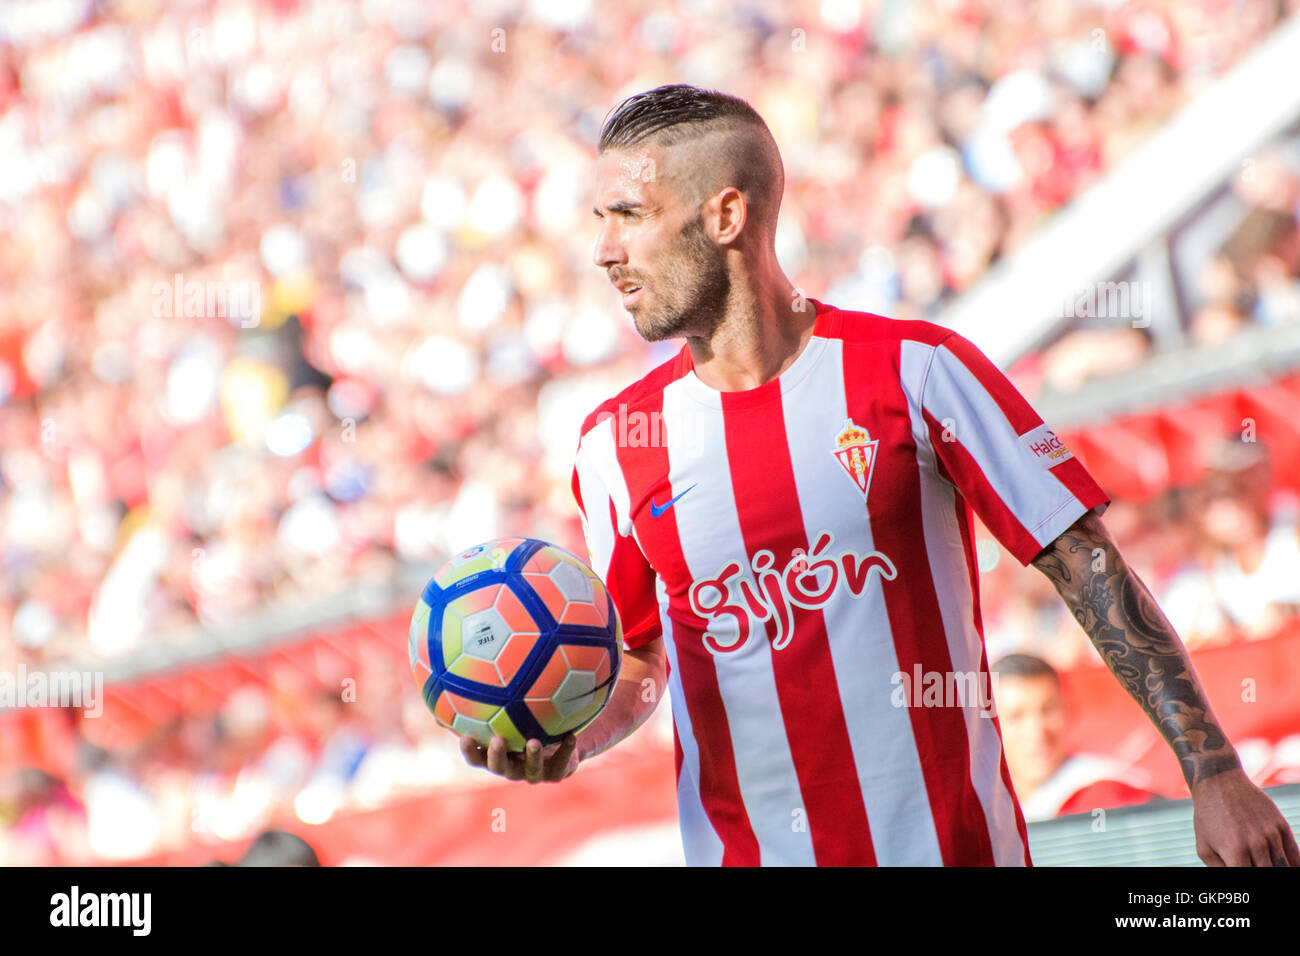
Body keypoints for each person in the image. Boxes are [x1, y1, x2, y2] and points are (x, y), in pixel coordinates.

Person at [460, 84, 1299, 867]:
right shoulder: (615, 445)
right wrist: (572, 734)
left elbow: (1088, 567)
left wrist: (1215, 771)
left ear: (724, 214)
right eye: (600, 220)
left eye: (629, 216)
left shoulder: (917, 372)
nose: (604, 251)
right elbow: (642, 660)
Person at [992, 653, 1161, 821]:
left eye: (1048, 710)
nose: (1037, 732)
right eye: (1016, 717)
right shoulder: (985, 809)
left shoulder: (1105, 795)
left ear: (1068, 710)